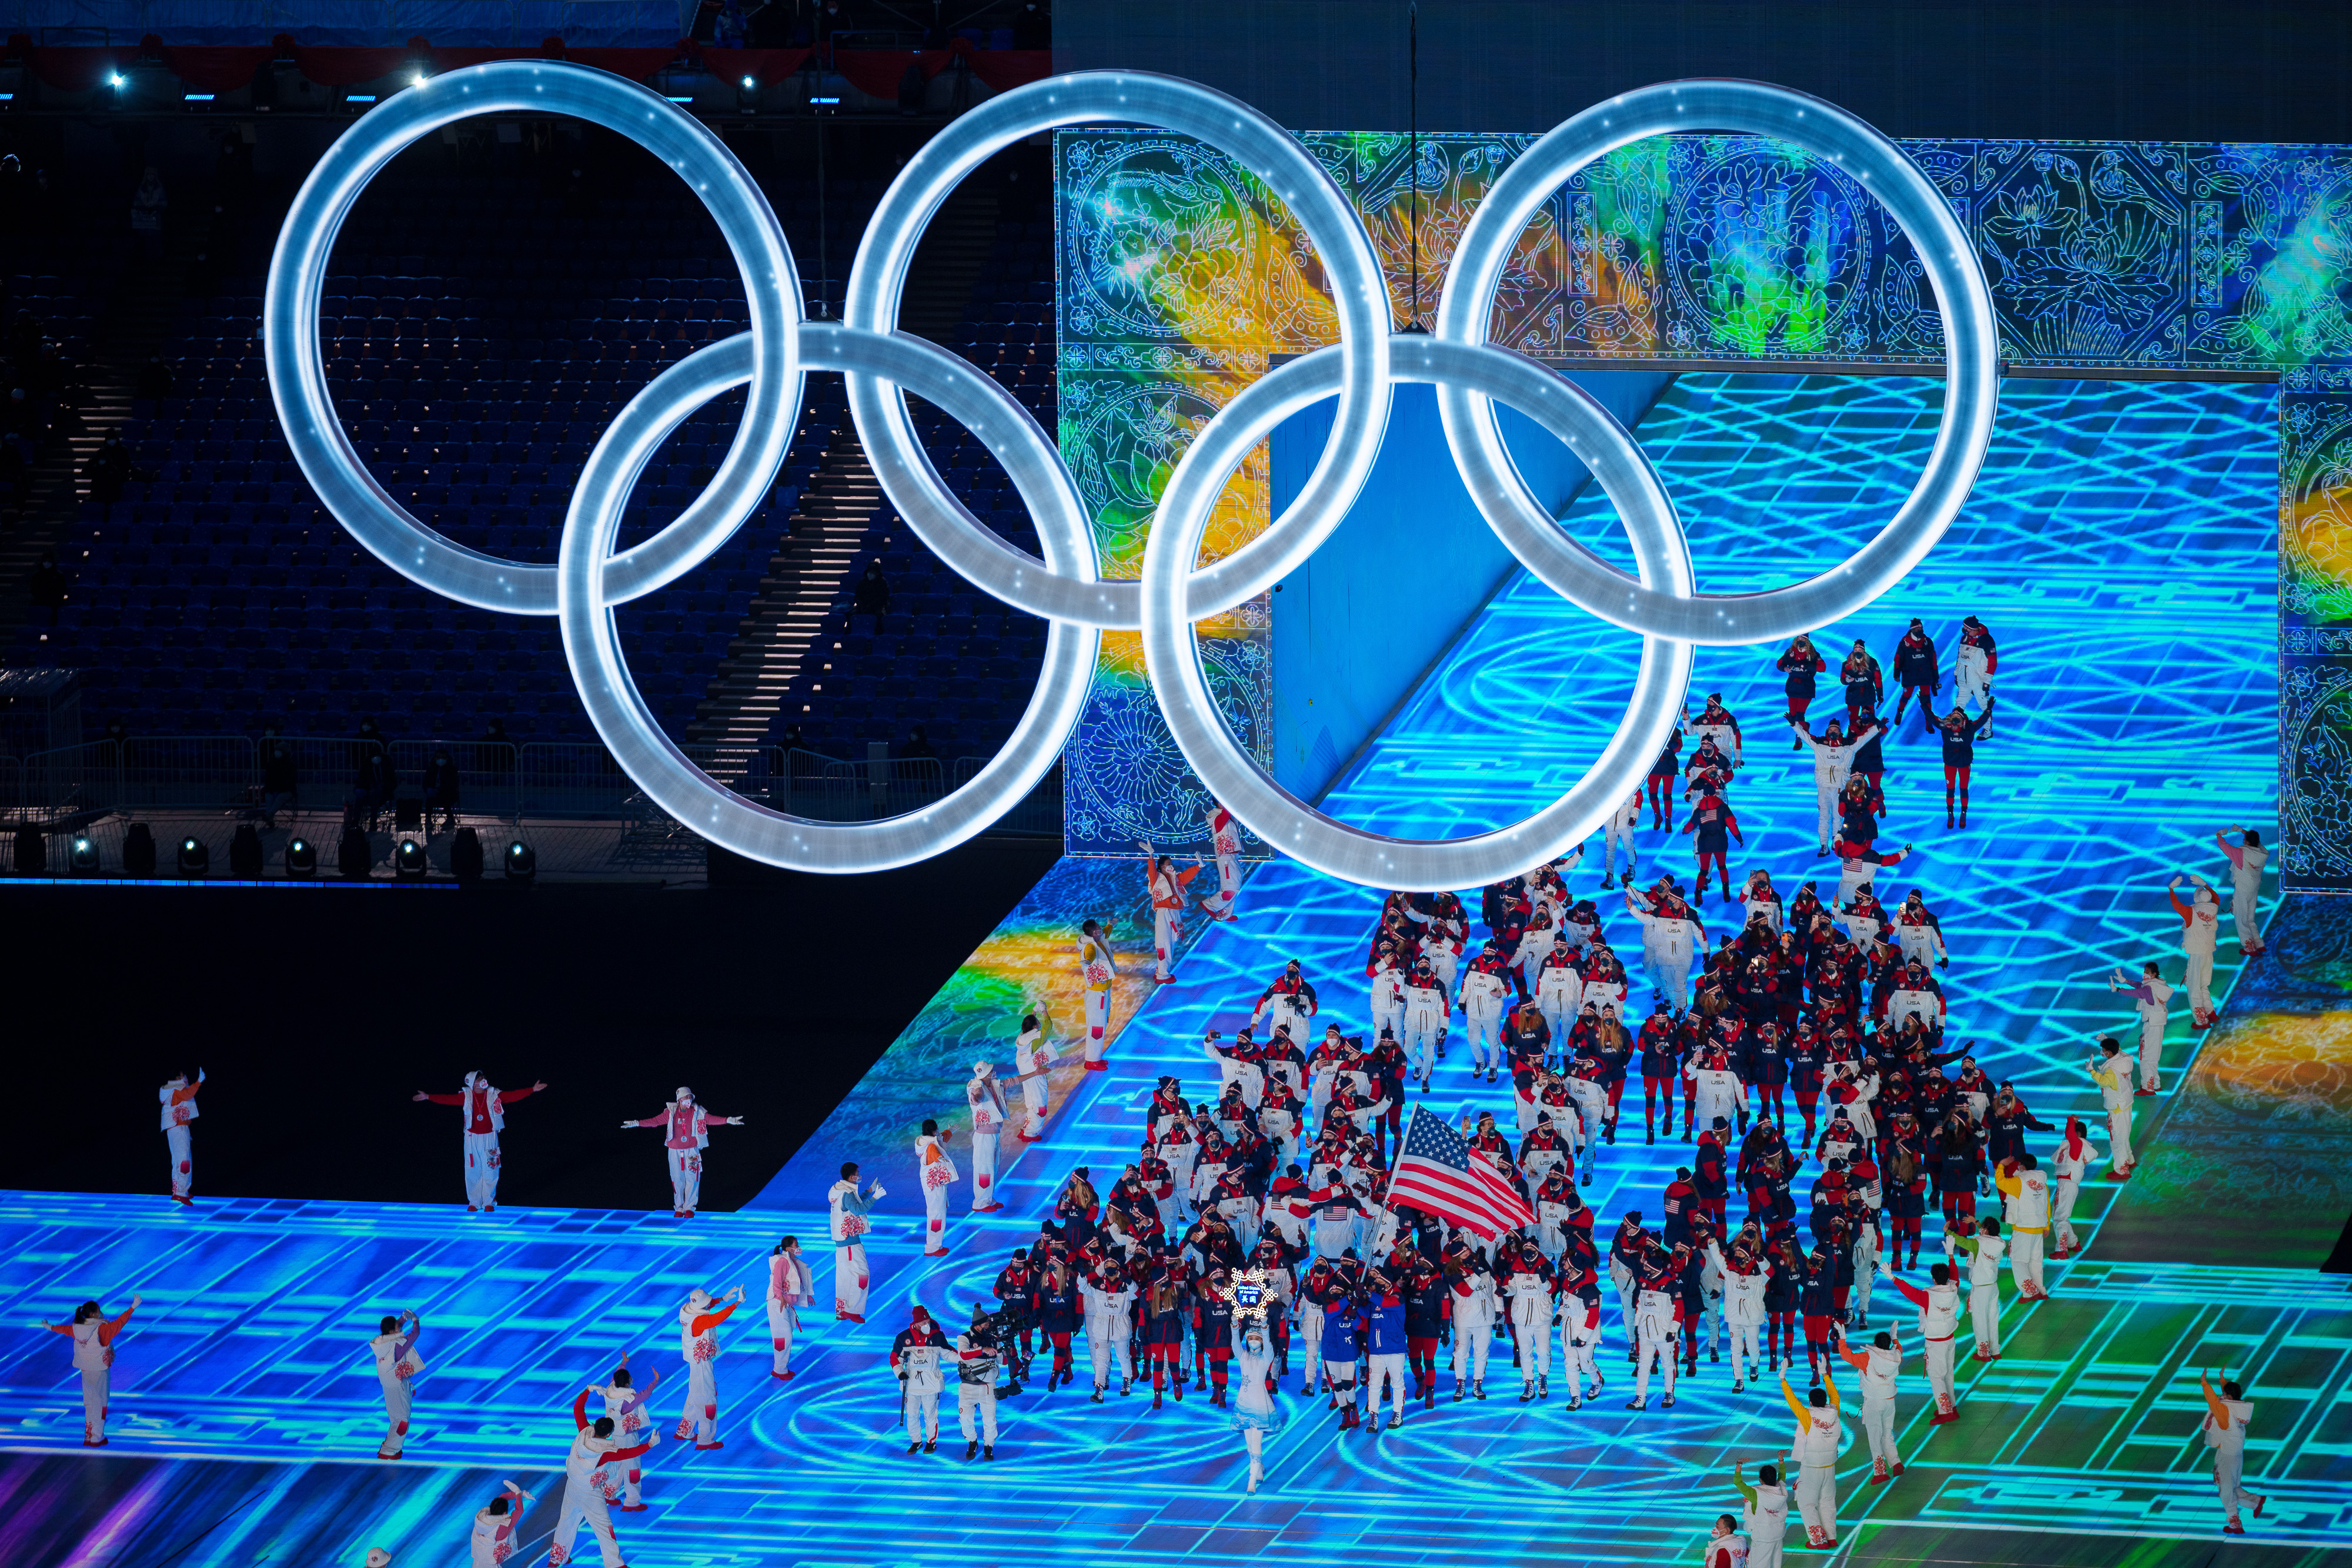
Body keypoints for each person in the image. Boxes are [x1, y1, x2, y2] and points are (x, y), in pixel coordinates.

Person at [414, 1072, 546, 1212]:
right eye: (479, 1079)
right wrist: (428, 1097)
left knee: (491, 1169)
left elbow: (511, 1096)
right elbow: (448, 1099)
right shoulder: (466, 1096)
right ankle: (474, 1201)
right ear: (472, 1084)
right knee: (472, 1169)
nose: (483, 1080)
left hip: (490, 1137)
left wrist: (532, 1089)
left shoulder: (494, 1094)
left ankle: (489, 1201)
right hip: (472, 1139)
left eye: (482, 1078)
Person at [549, 1395, 650, 1568]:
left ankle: (557, 1559)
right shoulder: (604, 1452)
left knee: (566, 1522)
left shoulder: (584, 1432)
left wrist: (587, 1391)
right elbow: (628, 1454)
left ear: (594, 1426)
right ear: (609, 1434)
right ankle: (615, 1564)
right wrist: (650, 1444)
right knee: (605, 1529)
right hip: (590, 1494)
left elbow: (578, 1409)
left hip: (572, 1486)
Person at [620, 1086, 744, 1217]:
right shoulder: (671, 1112)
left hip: (692, 1150)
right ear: (679, 1099)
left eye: (690, 1097)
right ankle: (679, 1207)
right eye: (686, 1097)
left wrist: (728, 1120)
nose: (688, 1100)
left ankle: (690, 1207)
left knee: (693, 1178)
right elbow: (655, 1121)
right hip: (674, 1150)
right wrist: (636, 1123)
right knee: (677, 1179)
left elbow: (710, 1119)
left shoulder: (697, 1111)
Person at [44, 1295, 139, 1446]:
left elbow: (62, 1329)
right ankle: (97, 1437)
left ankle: (88, 1435)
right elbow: (119, 1324)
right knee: (101, 1403)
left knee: (89, 1403)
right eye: (99, 1311)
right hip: (100, 1370)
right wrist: (133, 1307)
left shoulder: (77, 1328)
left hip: (85, 1370)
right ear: (94, 1314)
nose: (101, 1313)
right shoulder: (101, 1328)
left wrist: (49, 1326)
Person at [1879, 1258, 1960, 1420]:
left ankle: (1946, 1412)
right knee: (1949, 1374)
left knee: (1936, 1377)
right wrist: (1951, 1257)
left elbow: (1910, 1292)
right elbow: (1956, 1276)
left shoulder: (1928, 1297)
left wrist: (1893, 1278)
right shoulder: (1953, 1288)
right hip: (1950, 1339)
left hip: (1935, 1343)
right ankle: (1952, 1407)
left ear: (1934, 1279)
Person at [1790, 717, 1875, 855]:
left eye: (1836, 729)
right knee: (1823, 817)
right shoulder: (1819, 745)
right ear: (1827, 731)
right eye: (1831, 729)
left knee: (1838, 817)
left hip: (1840, 789)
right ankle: (1824, 845)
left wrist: (1876, 728)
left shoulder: (1848, 746)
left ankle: (1837, 842)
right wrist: (1794, 725)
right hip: (1823, 788)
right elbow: (1805, 736)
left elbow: (1864, 739)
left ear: (1840, 732)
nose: (1833, 731)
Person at [1782, 1367, 1844, 1547]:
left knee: (1807, 1504)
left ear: (1810, 1402)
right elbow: (1835, 1396)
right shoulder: (1834, 1412)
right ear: (1825, 1402)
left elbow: (1793, 1402)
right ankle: (1831, 1536)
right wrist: (1825, 1375)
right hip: (1830, 1466)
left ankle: (1819, 1540)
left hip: (1811, 1468)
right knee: (1827, 1502)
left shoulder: (1807, 1416)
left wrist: (1783, 1380)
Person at [587, 1356, 659, 1510]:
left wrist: (624, 1362)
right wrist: (656, 1380)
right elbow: (645, 1394)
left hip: (615, 1436)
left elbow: (617, 1373)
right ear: (626, 1384)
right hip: (628, 1437)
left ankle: (610, 1493)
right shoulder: (628, 1400)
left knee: (617, 1465)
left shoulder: (611, 1390)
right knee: (632, 1466)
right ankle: (632, 1500)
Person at [675, 1284, 743, 1449]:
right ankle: (706, 1439)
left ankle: (685, 1430)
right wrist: (736, 1303)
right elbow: (715, 1319)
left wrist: (723, 1298)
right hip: (702, 1363)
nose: (708, 1304)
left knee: (694, 1395)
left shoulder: (687, 1310)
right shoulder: (699, 1321)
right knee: (708, 1399)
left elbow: (707, 1306)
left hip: (694, 1361)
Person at [1836, 1323, 1905, 1483]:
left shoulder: (1867, 1357)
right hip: (1889, 1401)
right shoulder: (1896, 1357)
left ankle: (1881, 1472)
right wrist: (1895, 1338)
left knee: (1875, 1437)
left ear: (1875, 1344)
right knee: (1887, 1434)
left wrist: (1842, 1339)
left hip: (1874, 1402)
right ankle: (1896, 1463)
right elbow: (1898, 1349)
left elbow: (1847, 1356)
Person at [2199, 1369, 2264, 1534]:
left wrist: (2205, 1384)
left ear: (2228, 1396)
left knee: (2226, 1490)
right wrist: (2222, 1380)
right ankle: (2255, 1502)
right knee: (2233, 1487)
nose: (2222, 1396)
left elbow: (2214, 1402)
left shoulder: (2224, 1411)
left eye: (2225, 1394)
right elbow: (2226, 1395)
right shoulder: (2238, 1408)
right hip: (2235, 1453)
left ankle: (2235, 1522)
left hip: (2227, 1455)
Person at [1230, 1315, 1285, 1492]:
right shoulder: (1243, 1357)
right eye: (1251, 1338)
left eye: (1257, 1339)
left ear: (1261, 1341)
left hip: (1261, 1403)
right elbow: (1235, 1346)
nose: (1254, 1341)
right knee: (1249, 1445)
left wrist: (1265, 1328)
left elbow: (1269, 1347)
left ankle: (1251, 1481)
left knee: (1256, 1443)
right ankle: (1259, 1468)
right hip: (1244, 1402)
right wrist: (1234, 1326)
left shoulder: (1266, 1358)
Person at [828, 1162, 887, 1320]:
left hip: (842, 1244)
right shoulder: (847, 1193)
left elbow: (853, 1203)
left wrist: (868, 1192)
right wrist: (875, 1197)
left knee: (845, 1277)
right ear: (851, 1176)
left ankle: (842, 1311)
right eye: (858, 1174)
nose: (859, 1177)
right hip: (851, 1243)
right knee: (862, 1274)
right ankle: (853, 1309)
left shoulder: (839, 1190)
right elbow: (858, 1209)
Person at [890, 1303, 948, 1453]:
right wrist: (899, 1373)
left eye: (927, 1322)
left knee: (930, 1414)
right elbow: (895, 1358)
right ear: (915, 1323)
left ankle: (931, 1442)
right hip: (911, 1385)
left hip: (931, 1384)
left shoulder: (937, 1336)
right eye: (923, 1323)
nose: (926, 1325)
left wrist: (964, 1357)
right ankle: (916, 1441)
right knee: (912, 1415)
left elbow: (949, 1352)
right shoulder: (903, 1338)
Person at [367, 1309, 425, 1459]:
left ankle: (390, 1446)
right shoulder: (397, 1346)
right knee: (403, 1419)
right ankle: (390, 1450)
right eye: (398, 1327)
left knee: (396, 1417)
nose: (401, 1327)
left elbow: (395, 1328)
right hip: (398, 1386)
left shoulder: (381, 1342)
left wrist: (404, 1318)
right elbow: (414, 1335)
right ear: (392, 1331)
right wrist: (415, 1321)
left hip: (388, 1384)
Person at [1140, 843, 1201, 984]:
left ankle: (1161, 970)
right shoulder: (1156, 878)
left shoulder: (1175, 878)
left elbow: (1187, 877)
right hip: (1164, 913)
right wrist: (1151, 856)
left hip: (1176, 914)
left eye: (1171, 863)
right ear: (1162, 866)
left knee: (1172, 943)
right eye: (1168, 864)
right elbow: (1151, 870)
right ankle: (1162, 973)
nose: (1171, 866)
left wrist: (1199, 866)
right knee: (1163, 943)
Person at [2106, 962, 2171, 1094]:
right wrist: (2125, 981)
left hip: (2152, 1025)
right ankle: (2155, 1084)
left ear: (2154, 974)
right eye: (2144, 971)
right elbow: (2139, 986)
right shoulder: (2158, 984)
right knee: (2153, 1057)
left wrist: (2119, 989)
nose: (2144, 974)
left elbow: (2138, 992)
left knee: (2146, 1057)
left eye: (2148, 972)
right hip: (2157, 1024)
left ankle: (2148, 1088)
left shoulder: (2149, 988)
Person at [2168, 874, 2223, 1028]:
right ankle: (2211, 1013)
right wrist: (2205, 884)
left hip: (2197, 954)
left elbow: (2175, 904)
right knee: (2203, 985)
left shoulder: (2191, 912)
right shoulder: (2214, 909)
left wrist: (2171, 889)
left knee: (2193, 988)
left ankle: (2202, 1021)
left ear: (2196, 898)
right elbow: (2217, 899)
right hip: (2208, 953)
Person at [1993, 1154, 2052, 1299]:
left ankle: (2030, 1292)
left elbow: (2000, 1182)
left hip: (2023, 1228)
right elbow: (2047, 1203)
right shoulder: (2043, 1181)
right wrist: (2047, 1226)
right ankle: (2041, 1290)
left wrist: (2001, 1165)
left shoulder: (2019, 1181)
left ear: (2022, 1167)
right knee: (2036, 1262)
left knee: (2019, 1261)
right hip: (2039, 1228)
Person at [1952, 1216, 2006, 1360]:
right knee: (1992, 1319)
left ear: (1986, 1230)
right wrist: (1976, 1222)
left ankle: (1983, 1352)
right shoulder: (1999, 1241)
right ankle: (1995, 1350)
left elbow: (1962, 1241)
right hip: (1993, 1287)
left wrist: (1948, 1232)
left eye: (1983, 1228)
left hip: (1980, 1288)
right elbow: (1988, 1235)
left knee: (1980, 1321)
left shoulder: (1978, 1244)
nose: (1980, 1230)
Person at [1935, 696, 1993, 828]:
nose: (1955, 716)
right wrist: (1924, 706)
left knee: (1963, 789)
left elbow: (1981, 721)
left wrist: (1989, 710)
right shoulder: (1946, 728)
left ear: (1962, 719)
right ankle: (1950, 813)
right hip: (1950, 763)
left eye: (1957, 715)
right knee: (1950, 789)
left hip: (1964, 764)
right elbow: (1933, 719)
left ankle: (1963, 813)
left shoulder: (1969, 728)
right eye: (1953, 714)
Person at [954, 1303, 1003, 1459]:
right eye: (986, 1325)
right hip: (968, 1386)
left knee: (990, 1420)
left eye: (989, 1324)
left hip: (988, 1386)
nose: (989, 1327)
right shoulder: (964, 1337)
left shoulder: (994, 1338)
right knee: (965, 1419)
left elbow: (1004, 1361)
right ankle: (972, 1441)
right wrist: (982, 1350)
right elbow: (963, 1354)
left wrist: (1008, 1347)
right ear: (976, 1326)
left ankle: (989, 1446)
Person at [2086, 1037, 2137, 1179]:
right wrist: (2108, 1039)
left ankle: (2122, 1170)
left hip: (2116, 1107)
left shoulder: (2111, 1070)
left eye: (2104, 1050)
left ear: (2108, 1053)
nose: (2102, 1053)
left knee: (2117, 1139)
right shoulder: (2125, 1059)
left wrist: (2091, 1071)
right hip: (2126, 1102)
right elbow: (2119, 1050)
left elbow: (2103, 1082)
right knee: (2125, 1134)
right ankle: (2130, 1160)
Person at [766, 1236, 815, 1379]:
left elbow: (797, 1283)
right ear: (788, 1248)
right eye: (796, 1245)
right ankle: (780, 1369)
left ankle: (781, 1368)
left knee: (786, 1335)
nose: (798, 1247)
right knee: (784, 1335)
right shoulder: (783, 1262)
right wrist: (780, 1297)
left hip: (785, 1304)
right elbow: (777, 1282)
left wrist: (807, 1295)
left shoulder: (792, 1262)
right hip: (777, 1303)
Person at [2216, 825, 2269, 955]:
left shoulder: (2242, 853)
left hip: (2243, 888)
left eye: (2245, 839)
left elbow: (2225, 847)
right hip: (2254, 887)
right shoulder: (2263, 853)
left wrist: (2219, 835)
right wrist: (2242, 831)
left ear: (2248, 841)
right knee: (2250, 918)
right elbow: (2257, 842)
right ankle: (2259, 944)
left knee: (2241, 918)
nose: (2243, 841)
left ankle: (2249, 947)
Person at [2050, 1118, 2099, 1257]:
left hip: (2067, 1184)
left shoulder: (2077, 1143)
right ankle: (2073, 1243)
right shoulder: (2076, 1145)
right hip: (2066, 1184)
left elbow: (2069, 1134)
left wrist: (2070, 1120)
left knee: (2060, 1218)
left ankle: (2062, 1250)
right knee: (2061, 1216)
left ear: (2077, 1133)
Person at [1732, 1459, 1790, 1568]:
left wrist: (1739, 1464)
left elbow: (1738, 1482)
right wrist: (1781, 1460)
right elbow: (1782, 1477)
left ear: (1760, 1480)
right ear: (1775, 1478)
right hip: (1778, 1534)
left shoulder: (1756, 1494)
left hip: (1763, 1536)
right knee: (1775, 1564)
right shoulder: (1782, 1490)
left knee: (1759, 1565)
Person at [159, 1066, 203, 1205]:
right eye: (183, 1077)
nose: (185, 1080)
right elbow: (187, 1095)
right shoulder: (175, 1090)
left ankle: (180, 1190)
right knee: (184, 1161)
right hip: (178, 1129)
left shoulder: (169, 1090)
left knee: (180, 1160)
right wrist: (198, 1082)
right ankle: (180, 1192)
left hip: (177, 1128)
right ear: (177, 1079)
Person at [967, 1061, 1007, 1212]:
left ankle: (988, 1198)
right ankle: (980, 1202)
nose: (993, 1072)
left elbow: (1011, 1082)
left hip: (995, 1133)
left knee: (993, 1166)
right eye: (990, 1071)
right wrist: (977, 1096)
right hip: (984, 1136)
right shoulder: (975, 1086)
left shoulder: (992, 1084)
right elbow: (976, 1097)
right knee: (984, 1167)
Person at [467, 1481, 534, 1568]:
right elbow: (519, 1511)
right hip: (491, 1564)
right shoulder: (501, 1528)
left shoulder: (483, 1518)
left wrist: (518, 1493)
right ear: (505, 1512)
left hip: (479, 1560)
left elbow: (501, 1499)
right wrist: (518, 1494)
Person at [916, 1116, 958, 1256]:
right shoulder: (931, 1146)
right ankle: (933, 1246)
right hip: (934, 1186)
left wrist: (950, 1130)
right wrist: (941, 1159)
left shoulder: (928, 1141)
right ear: (934, 1131)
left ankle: (934, 1245)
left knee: (936, 1213)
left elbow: (942, 1138)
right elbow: (935, 1153)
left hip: (934, 1183)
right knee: (937, 1215)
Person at [1890, 618, 1939, 732]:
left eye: (1921, 627)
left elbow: (1933, 659)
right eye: (1917, 628)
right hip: (1910, 675)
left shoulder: (1928, 642)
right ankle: (1900, 711)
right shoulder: (1904, 643)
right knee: (1906, 696)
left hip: (1925, 675)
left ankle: (1929, 722)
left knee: (1926, 699)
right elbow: (1898, 659)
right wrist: (1896, 674)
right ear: (1912, 629)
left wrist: (1935, 676)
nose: (1920, 629)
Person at [1953, 615, 1997, 733]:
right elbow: (1960, 658)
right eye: (1964, 628)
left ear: (1974, 628)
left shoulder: (1987, 640)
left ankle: (1987, 730)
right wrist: (1957, 674)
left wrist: (1987, 681)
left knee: (1984, 706)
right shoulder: (1964, 639)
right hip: (1964, 679)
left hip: (1979, 680)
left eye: (1968, 629)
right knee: (1959, 704)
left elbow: (1992, 662)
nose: (1965, 631)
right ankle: (1957, 727)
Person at [1014, 1013, 1054, 1138]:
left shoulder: (1022, 1037)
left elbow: (1028, 1025)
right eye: (1037, 1022)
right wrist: (1045, 1011)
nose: (1040, 1023)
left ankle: (1026, 1129)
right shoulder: (1036, 1038)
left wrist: (1033, 1013)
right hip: (1036, 1075)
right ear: (1034, 1026)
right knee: (1040, 1108)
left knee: (1032, 1104)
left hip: (1026, 1075)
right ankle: (1031, 1134)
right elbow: (1048, 1026)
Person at [1202, 800, 1242, 921]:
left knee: (1232, 885)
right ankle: (1210, 905)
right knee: (1232, 887)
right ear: (1220, 803)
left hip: (1231, 855)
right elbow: (1222, 820)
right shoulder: (1215, 817)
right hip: (1225, 857)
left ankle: (1224, 914)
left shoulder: (1225, 816)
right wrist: (1229, 801)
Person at [1602, 785, 1642, 888]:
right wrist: (1599, 820)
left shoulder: (1631, 780)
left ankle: (1631, 868)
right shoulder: (1606, 782)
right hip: (1609, 822)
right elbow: (1600, 801)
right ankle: (1609, 877)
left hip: (1626, 822)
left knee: (1628, 846)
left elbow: (1638, 799)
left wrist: (1634, 817)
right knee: (1610, 850)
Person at [850, 559, 890, 624]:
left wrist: (871, 607)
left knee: (880, 618)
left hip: (877, 608)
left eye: (873, 572)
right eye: (870, 571)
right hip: (863, 607)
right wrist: (862, 605)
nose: (871, 574)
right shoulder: (863, 582)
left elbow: (883, 598)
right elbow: (858, 596)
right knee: (851, 615)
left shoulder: (883, 583)